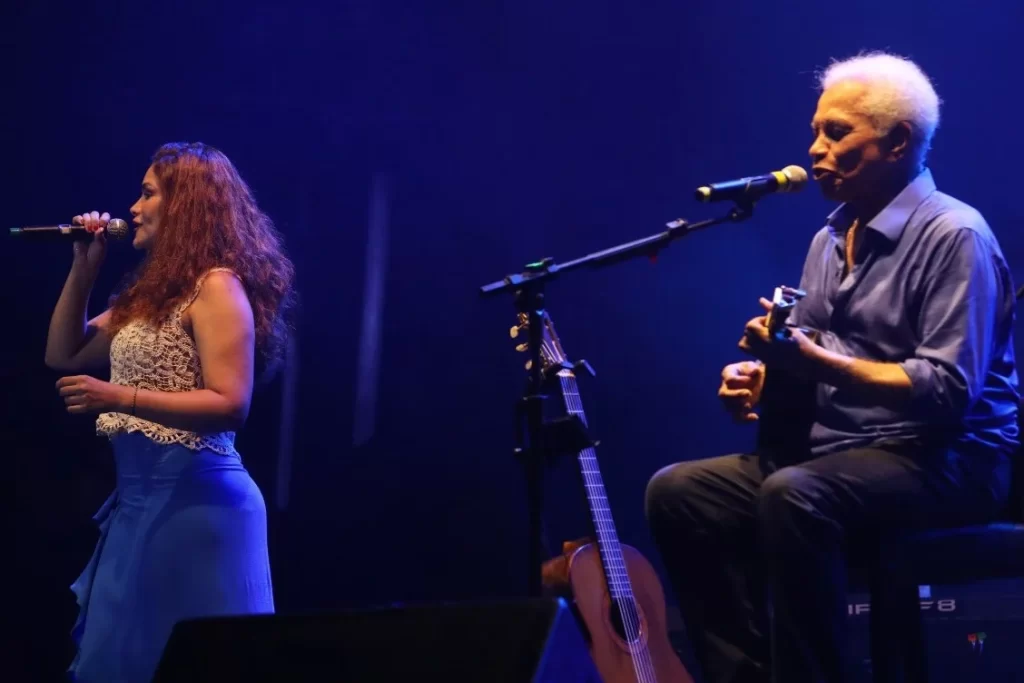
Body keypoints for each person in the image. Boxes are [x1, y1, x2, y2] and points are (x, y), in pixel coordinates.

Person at [644, 52, 1019, 683]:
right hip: (846, 449)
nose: (814, 149)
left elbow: (947, 390)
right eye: (816, 130)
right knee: (680, 493)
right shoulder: (830, 236)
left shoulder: (956, 235)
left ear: (897, 141)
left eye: (836, 133)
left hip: (948, 458)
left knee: (797, 495)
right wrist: (766, 375)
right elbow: (821, 351)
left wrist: (812, 360)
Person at [45, 142, 295, 682]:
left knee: (192, 664)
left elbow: (231, 403)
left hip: (199, 506)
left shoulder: (217, 287)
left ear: (184, 204)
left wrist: (120, 397)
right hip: (138, 508)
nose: (132, 208)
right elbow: (62, 354)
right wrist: (84, 270)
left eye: (147, 193)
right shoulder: (152, 293)